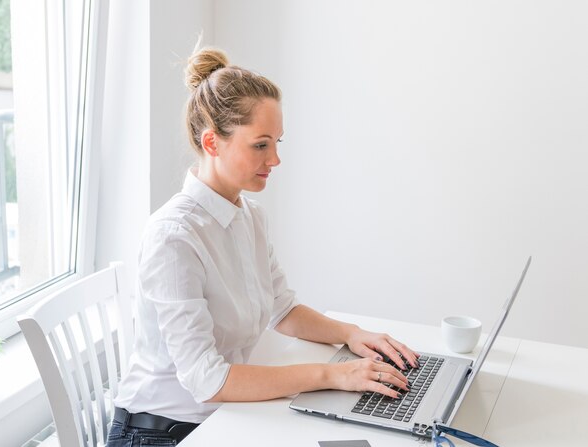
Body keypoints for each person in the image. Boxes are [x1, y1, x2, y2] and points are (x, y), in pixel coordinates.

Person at [107, 46, 419, 446]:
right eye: (260, 145)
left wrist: (352, 335)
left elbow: (282, 308)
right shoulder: (173, 236)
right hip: (162, 434)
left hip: (224, 417)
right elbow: (208, 380)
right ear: (212, 143)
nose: (274, 159)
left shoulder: (250, 216)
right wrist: (332, 374)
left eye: (277, 143)